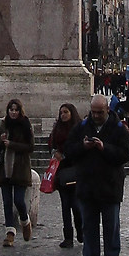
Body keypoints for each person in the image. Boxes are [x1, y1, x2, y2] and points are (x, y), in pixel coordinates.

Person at [61, 94, 129, 256]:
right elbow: (68, 149)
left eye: (100, 112)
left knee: (111, 227)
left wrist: (105, 148)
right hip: (87, 185)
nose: (96, 116)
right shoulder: (82, 127)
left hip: (110, 186)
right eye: (93, 112)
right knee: (89, 227)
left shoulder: (118, 129)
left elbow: (126, 153)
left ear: (107, 110)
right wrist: (83, 147)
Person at [47, 103, 82, 248]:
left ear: (72, 113)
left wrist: (67, 155)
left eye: (66, 112)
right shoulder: (57, 128)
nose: (63, 115)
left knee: (76, 205)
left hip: (75, 169)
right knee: (65, 205)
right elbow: (51, 144)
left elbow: (81, 147)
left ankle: (81, 231)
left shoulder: (78, 129)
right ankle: (68, 236)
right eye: (61, 112)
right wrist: (54, 153)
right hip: (61, 171)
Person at [0, 98, 34, 246]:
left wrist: (12, 144)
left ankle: (25, 221)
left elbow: (30, 147)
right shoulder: (3, 125)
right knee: (7, 202)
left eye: (16, 110)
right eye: (11, 110)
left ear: (20, 111)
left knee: (18, 200)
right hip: (5, 167)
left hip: (20, 167)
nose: (13, 112)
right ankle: (10, 233)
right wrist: (0, 141)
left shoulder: (25, 125)